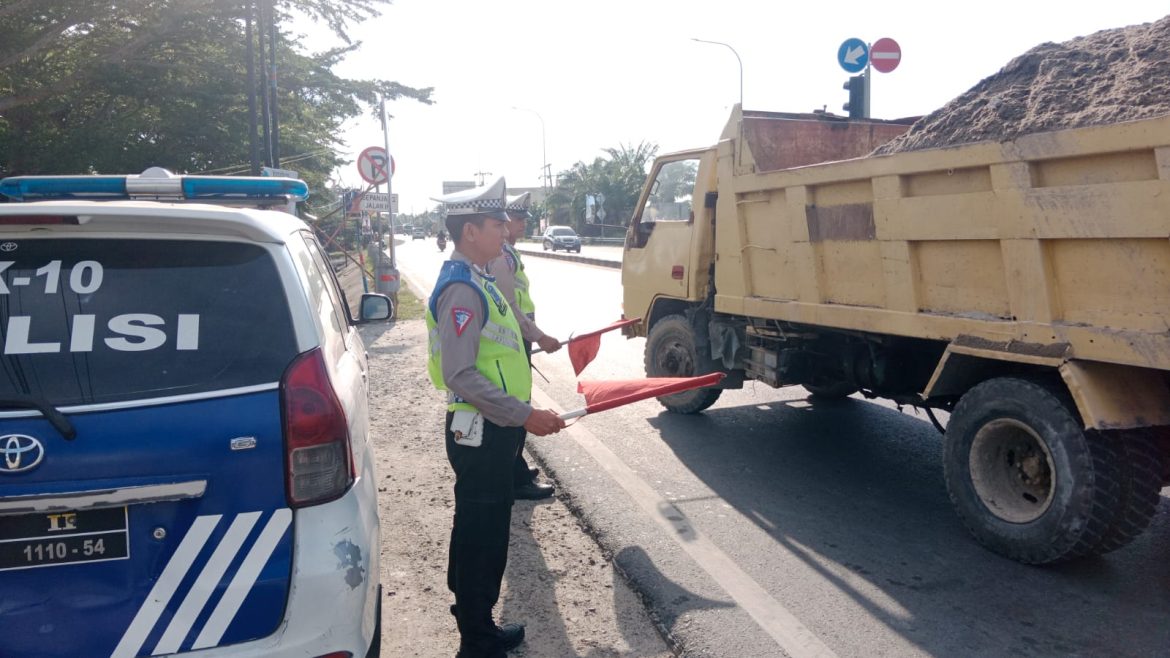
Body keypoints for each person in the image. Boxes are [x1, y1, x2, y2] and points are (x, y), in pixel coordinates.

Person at [426, 177, 566, 658]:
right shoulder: (463, 290)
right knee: (481, 531)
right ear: (470, 232)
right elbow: (459, 373)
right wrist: (525, 415)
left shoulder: (482, 277)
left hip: (491, 429)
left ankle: (473, 615)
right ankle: (477, 637)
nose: (506, 231)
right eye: (497, 223)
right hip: (481, 431)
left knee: (480, 526)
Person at [487, 191, 561, 500]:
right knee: (517, 404)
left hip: (518, 337)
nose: (520, 227)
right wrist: (538, 335)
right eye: (518, 221)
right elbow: (509, 307)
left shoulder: (509, 252)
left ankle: (515, 466)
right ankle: (514, 478)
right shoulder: (501, 256)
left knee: (518, 400)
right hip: (514, 338)